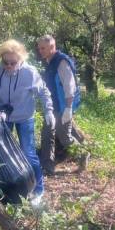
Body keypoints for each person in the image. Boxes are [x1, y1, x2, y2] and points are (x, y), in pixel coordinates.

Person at [0, 39, 55, 206]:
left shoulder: (30, 73)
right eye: (5, 62)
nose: (8, 66)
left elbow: (44, 92)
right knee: (0, 154)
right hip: (2, 119)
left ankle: (38, 190)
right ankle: (5, 188)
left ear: (21, 60)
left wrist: (49, 111)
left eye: (12, 63)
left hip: (24, 117)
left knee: (28, 153)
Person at [37, 35, 80, 173]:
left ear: (52, 47)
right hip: (52, 107)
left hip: (63, 107)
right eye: (39, 48)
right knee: (47, 135)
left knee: (65, 137)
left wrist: (68, 108)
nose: (40, 51)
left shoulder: (62, 62)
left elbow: (70, 86)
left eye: (43, 48)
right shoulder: (50, 62)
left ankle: (83, 154)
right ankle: (47, 166)